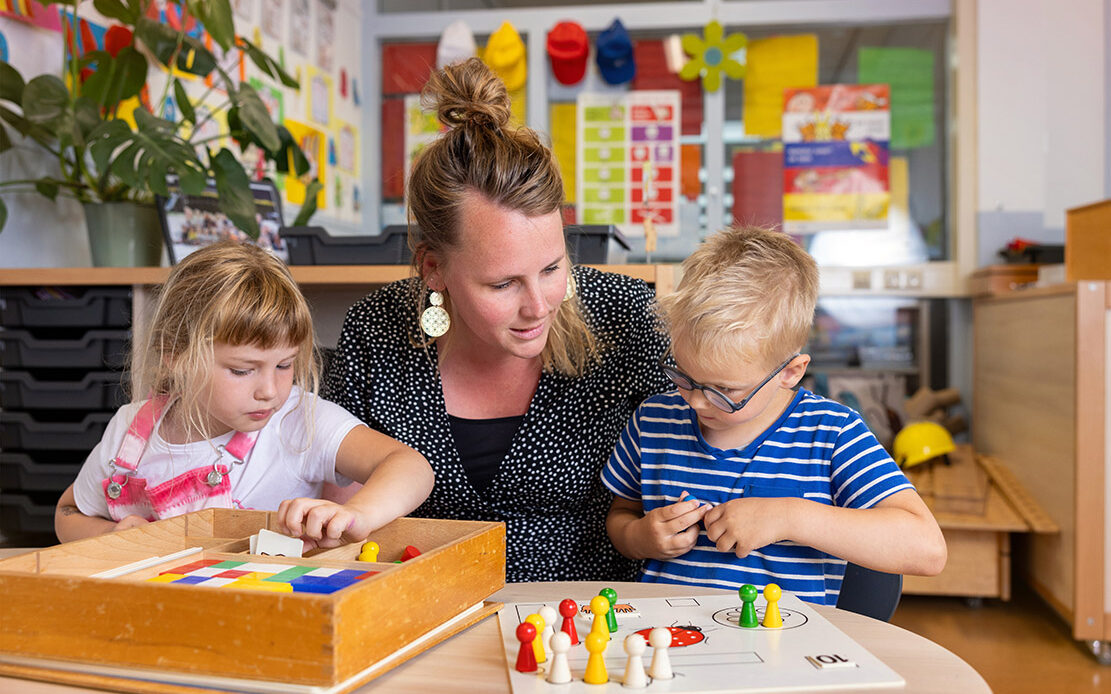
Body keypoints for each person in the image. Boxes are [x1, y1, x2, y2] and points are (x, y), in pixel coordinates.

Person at [322, 57, 671, 582]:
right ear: (433, 268)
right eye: (502, 284)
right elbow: (332, 497)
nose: (539, 305)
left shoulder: (626, 318)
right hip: (420, 609)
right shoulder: (375, 330)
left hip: (588, 623)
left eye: (552, 267)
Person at [601, 226, 946, 604]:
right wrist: (639, 538)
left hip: (786, 652)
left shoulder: (831, 433)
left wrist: (790, 518)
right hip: (667, 645)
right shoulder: (654, 420)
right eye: (683, 376)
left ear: (789, 372)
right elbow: (622, 513)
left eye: (723, 391)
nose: (697, 402)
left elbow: (927, 549)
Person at [55, 241, 434, 547]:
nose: (269, 391)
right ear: (174, 355)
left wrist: (357, 514)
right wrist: (111, 534)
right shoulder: (130, 434)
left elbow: (411, 467)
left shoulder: (295, 420)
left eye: (285, 365)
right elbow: (69, 513)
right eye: (241, 370)